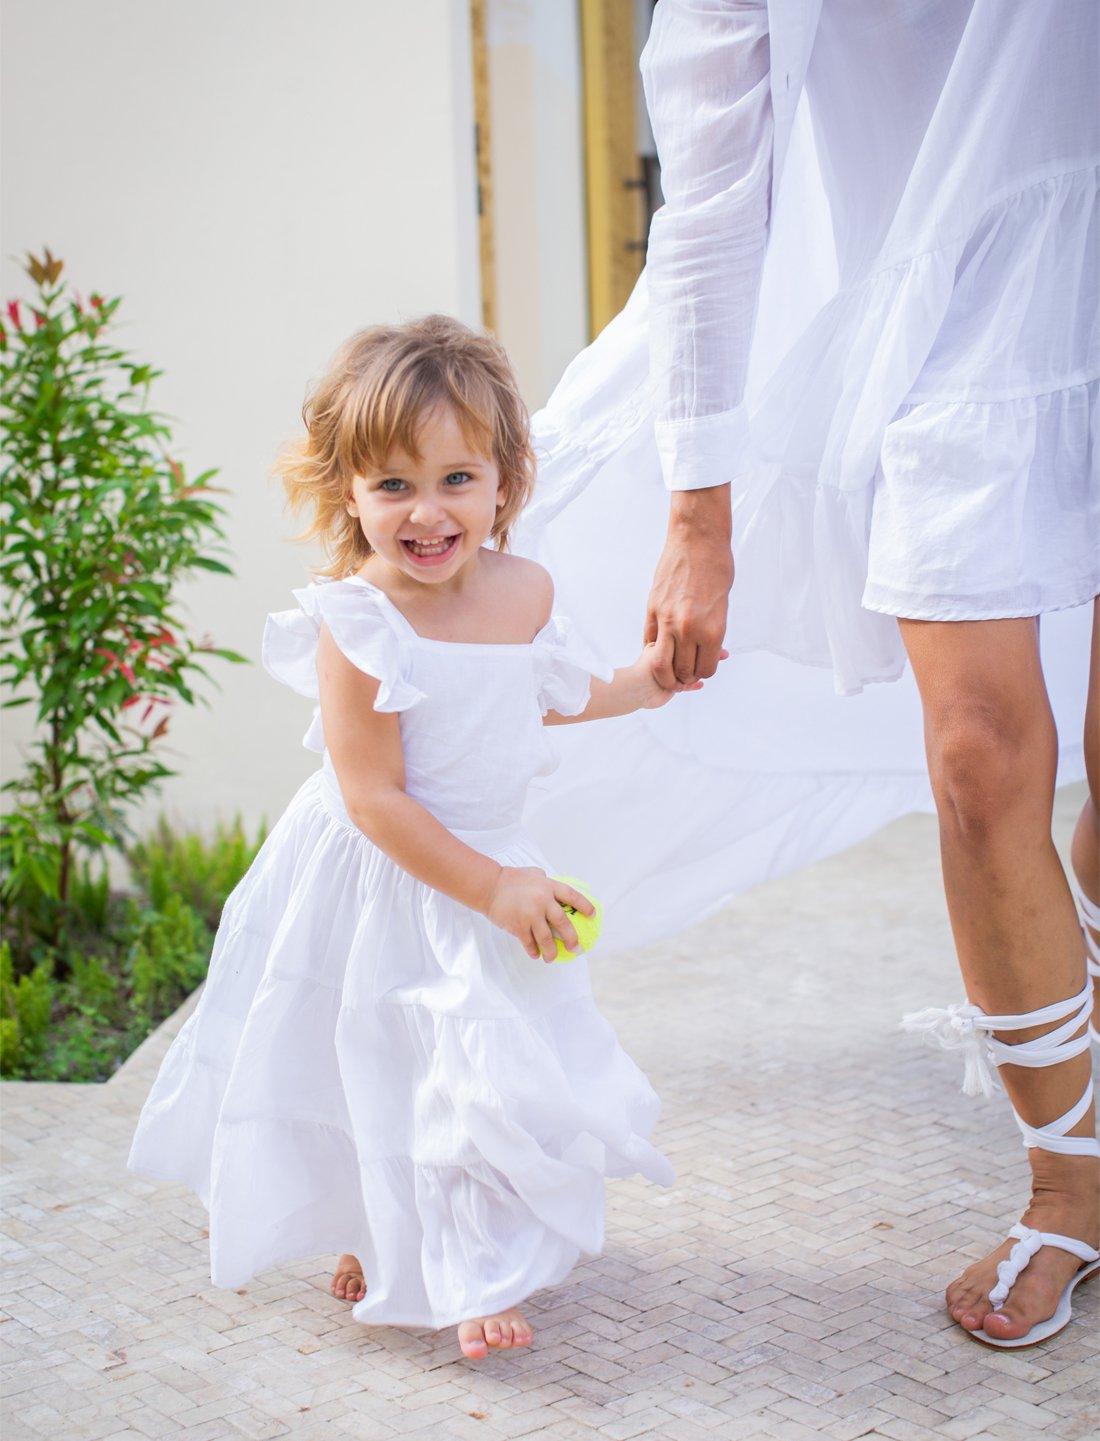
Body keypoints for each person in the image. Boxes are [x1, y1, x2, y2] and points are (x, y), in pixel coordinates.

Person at [518, 0, 1098, 1348]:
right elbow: (718, 188)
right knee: (979, 755)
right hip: (956, 320)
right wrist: (698, 515)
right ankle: (1070, 1183)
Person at [128, 315, 721, 1359]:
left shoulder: (524, 591)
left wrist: (645, 683)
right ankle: (413, 1247)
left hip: (489, 861)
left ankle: (443, 1239)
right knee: (376, 1058)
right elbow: (375, 798)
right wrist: (492, 886)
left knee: (478, 1065)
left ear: (503, 483)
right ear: (346, 491)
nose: (427, 510)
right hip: (387, 869)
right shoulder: (360, 622)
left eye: (456, 478)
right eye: (391, 484)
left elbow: (544, 695)